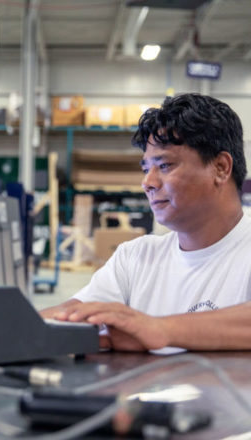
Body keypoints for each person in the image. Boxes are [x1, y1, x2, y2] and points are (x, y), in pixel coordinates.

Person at [41, 93, 251, 352]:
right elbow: (74, 313)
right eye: (145, 169)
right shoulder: (135, 258)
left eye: (164, 165)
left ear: (220, 167)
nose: (148, 182)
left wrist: (160, 329)